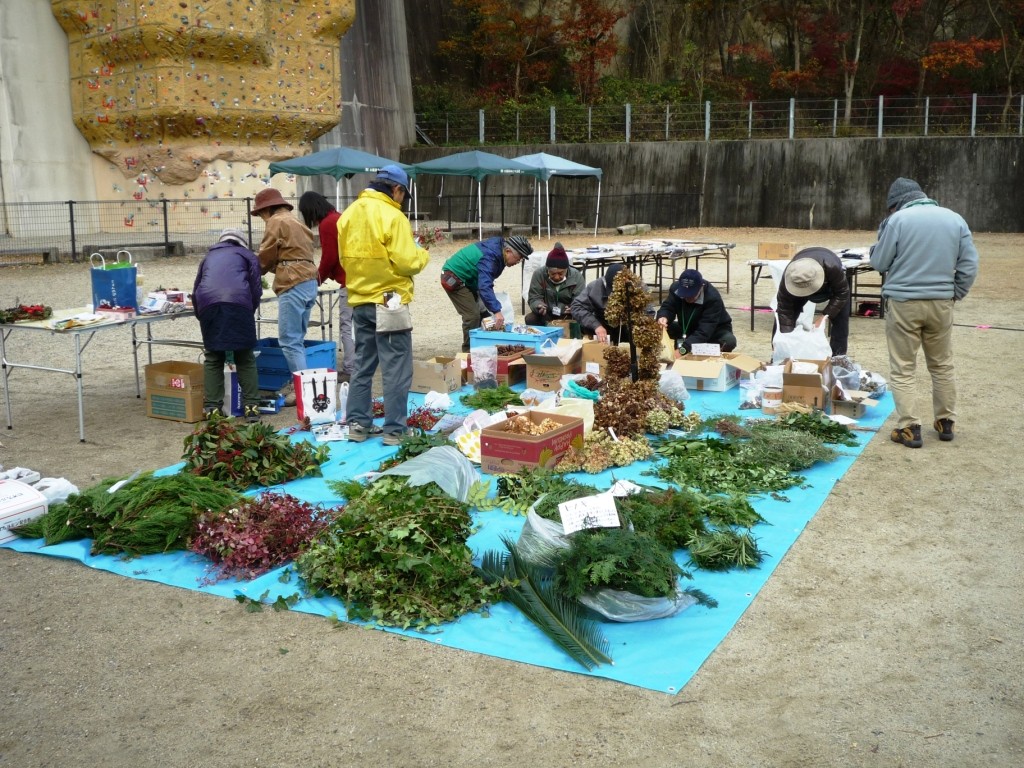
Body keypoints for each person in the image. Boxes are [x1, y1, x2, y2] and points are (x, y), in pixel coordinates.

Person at [869, 177, 979, 448]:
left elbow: (879, 262)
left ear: (896, 204)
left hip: (904, 302)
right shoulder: (955, 219)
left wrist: (877, 245)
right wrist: (956, 292)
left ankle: (909, 428)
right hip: (941, 302)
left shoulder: (898, 221)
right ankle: (945, 422)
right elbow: (969, 264)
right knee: (942, 364)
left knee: (903, 368)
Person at [338, 165, 429, 446]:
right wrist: (422, 254)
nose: (402, 201)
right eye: (403, 195)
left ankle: (357, 424)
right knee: (396, 368)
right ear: (397, 189)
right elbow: (406, 261)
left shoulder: (349, 214)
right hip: (389, 301)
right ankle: (395, 431)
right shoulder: (393, 216)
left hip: (360, 299)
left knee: (363, 365)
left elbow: (344, 260)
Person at [250, 187, 317, 406]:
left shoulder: (276, 222)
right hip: (309, 281)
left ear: (267, 209)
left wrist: (252, 269)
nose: (262, 219)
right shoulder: (298, 222)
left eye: (260, 214)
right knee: (297, 339)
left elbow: (266, 255)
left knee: (289, 341)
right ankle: (299, 383)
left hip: (292, 281)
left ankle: (302, 390)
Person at [192, 228, 263, 422]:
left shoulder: (208, 257)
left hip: (208, 305)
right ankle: (251, 408)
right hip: (239, 304)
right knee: (245, 356)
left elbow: (196, 288)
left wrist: (202, 316)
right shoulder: (248, 255)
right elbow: (256, 289)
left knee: (213, 357)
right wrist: (249, 310)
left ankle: (212, 409)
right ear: (241, 242)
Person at [298, 191, 355, 383]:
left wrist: (318, 278)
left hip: (349, 282)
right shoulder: (339, 217)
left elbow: (329, 257)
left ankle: (350, 368)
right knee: (361, 325)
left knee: (347, 326)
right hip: (358, 276)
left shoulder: (327, 224)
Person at [440, 234, 534, 351]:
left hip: (470, 279)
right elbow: (484, 286)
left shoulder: (499, 251)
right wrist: (497, 311)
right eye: (519, 257)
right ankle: (468, 351)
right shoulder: (491, 256)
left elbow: (486, 281)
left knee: (486, 316)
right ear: (508, 251)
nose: (518, 261)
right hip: (454, 278)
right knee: (472, 316)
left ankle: (484, 345)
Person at [775, 247, 851, 356]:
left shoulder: (832, 267)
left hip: (831, 286)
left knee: (841, 321)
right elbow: (784, 310)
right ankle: (782, 356)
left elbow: (842, 293)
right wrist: (784, 342)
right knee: (784, 318)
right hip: (798, 284)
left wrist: (825, 315)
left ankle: (838, 358)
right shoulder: (790, 276)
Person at [655, 268, 736, 354]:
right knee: (659, 328)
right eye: (684, 295)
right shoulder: (675, 289)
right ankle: (688, 345)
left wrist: (683, 349)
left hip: (713, 331)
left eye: (691, 295)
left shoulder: (713, 298)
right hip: (687, 328)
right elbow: (668, 307)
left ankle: (704, 350)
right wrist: (663, 317)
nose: (688, 298)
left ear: (701, 286)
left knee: (729, 341)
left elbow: (705, 330)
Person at [524, 243, 585, 327]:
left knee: (584, 318)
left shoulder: (576, 276)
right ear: (547, 269)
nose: (556, 277)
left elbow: (580, 299)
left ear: (567, 269)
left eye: (561, 273)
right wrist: (538, 306)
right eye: (552, 273)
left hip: (568, 314)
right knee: (531, 319)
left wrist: (574, 307)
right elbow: (534, 297)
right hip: (547, 313)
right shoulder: (539, 274)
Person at [570, 263, 632, 344]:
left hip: (628, 324)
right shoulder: (595, 286)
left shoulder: (638, 288)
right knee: (587, 327)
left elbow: (648, 312)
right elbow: (577, 306)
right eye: (612, 290)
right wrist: (596, 326)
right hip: (603, 323)